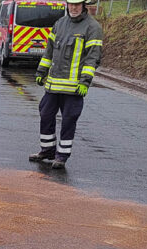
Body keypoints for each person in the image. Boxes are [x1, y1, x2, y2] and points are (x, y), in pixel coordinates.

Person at [29, 0, 103, 169]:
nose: (73, 8)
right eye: (70, 4)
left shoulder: (92, 27)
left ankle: (62, 156)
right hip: (53, 85)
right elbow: (49, 51)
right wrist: (41, 71)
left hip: (74, 87)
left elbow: (93, 57)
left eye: (77, 5)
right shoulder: (60, 23)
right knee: (45, 114)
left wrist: (85, 82)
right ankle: (47, 150)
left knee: (69, 120)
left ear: (84, 6)